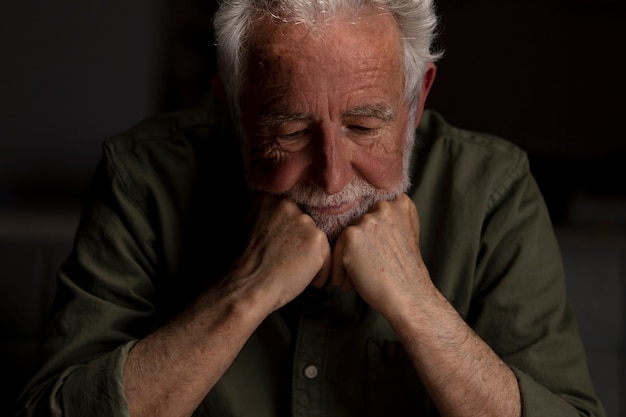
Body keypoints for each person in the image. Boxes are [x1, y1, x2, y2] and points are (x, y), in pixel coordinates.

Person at [16, 0, 606, 416]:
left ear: (417, 98)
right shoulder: (142, 177)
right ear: (231, 110)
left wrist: (417, 304)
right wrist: (243, 293)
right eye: (291, 131)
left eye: (364, 125)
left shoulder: (493, 190)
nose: (332, 175)